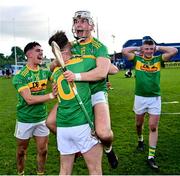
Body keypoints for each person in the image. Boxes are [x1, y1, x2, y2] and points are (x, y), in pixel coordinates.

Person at [69, 10, 119, 168]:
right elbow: (53, 67)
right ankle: (78, 147)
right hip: (76, 93)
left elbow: (100, 73)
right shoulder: (70, 47)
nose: (78, 24)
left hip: (96, 92)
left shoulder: (99, 47)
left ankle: (108, 148)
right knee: (50, 122)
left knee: (103, 133)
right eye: (76, 21)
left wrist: (75, 76)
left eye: (83, 21)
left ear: (91, 26)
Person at [49, 31, 103, 175]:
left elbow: (52, 67)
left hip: (63, 128)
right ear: (67, 47)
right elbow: (108, 69)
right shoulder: (83, 62)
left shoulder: (54, 72)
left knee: (65, 171)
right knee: (95, 170)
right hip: (82, 126)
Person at [122, 39, 177, 169]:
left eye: (151, 49)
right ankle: (140, 139)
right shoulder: (137, 59)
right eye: (146, 49)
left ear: (153, 49)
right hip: (140, 98)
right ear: (143, 49)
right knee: (138, 124)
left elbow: (174, 50)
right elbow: (124, 51)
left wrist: (157, 47)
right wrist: (138, 49)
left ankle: (151, 156)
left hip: (154, 98)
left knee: (153, 127)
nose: (148, 51)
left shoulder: (158, 60)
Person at [12, 42, 56, 175]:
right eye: (38, 51)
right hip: (25, 119)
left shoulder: (44, 72)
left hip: (41, 119)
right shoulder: (21, 75)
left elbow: (58, 78)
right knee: (21, 152)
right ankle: (21, 173)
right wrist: (51, 95)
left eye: (42, 51)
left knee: (43, 151)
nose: (41, 53)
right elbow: (29, 99)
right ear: (29, 54)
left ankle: (40, 173)